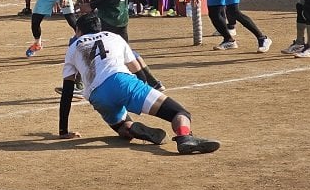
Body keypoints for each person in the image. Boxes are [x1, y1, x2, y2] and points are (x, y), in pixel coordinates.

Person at [57, 13, 220, 155]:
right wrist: (143, 92)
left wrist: (63, 130)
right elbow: (137, 69)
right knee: (179, 112)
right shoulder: (114, 37)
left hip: (97, 95)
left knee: (121, 125)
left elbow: (67, 91)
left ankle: (132, 128)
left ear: (78, 31)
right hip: (122, 82)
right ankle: (184, 137)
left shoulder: (73, 47)